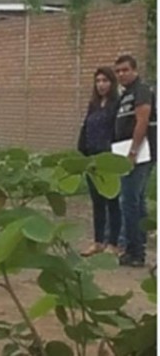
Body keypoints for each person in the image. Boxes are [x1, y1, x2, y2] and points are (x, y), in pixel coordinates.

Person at [113, 55, 156, 267]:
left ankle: (135, 251)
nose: (121, 74)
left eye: (125, 70)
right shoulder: (126, 94)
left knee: (129, 201)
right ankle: (137, 247)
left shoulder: (141, 90)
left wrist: (132, 153)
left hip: (139, 154)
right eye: (118, 71)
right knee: (135, 201)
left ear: (135, 70)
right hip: (125, 152)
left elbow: (142, 121)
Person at [77, 67, 120, 257]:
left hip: (108, 158)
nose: (101, 85)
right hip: (92, 158)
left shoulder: (116, 104)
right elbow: (86, 127)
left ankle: (113, 242)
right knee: (97, 201)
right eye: (98, 81)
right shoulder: (93, 104)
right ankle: (98, 241)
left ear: (112, 83)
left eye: (105, 81)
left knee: (112, 200)